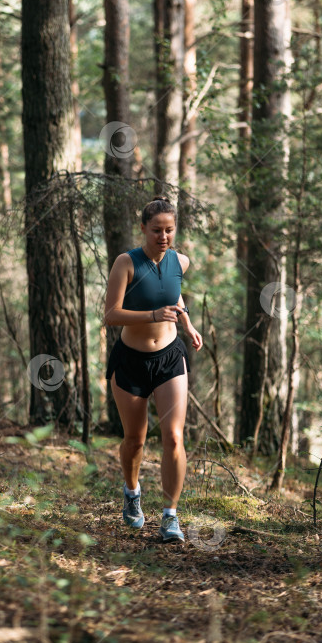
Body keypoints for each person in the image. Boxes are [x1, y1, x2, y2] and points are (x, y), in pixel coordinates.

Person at [104, 195, 203, 542]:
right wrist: (151, 315)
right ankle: (131, 493)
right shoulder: (126, 263)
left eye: (169, 230)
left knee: (174, 437)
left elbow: (173, 294)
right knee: (135, 439)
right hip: (131, 360)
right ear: (143, 228)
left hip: (170, 358)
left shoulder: (181, 261)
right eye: (157, 230)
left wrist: (187, 324)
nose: (163, 236)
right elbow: (111, 314)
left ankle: (170, 516)